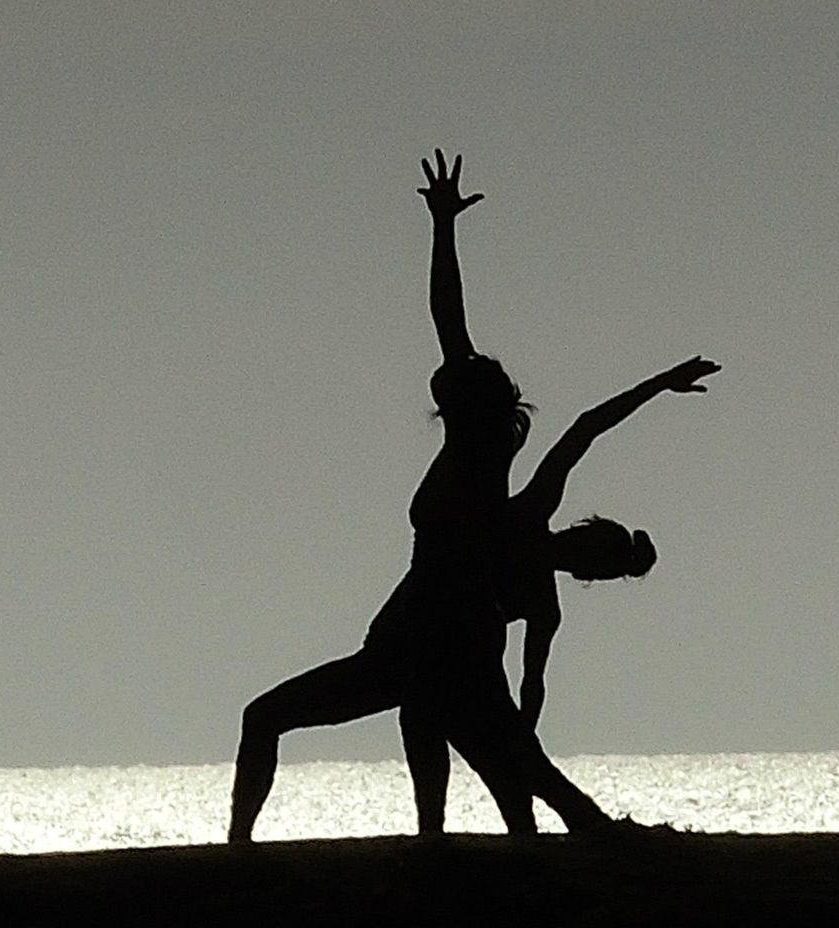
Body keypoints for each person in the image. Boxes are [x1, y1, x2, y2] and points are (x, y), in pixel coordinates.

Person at [229, 149, 608, 842]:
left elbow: (450, 321)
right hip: (412, 640)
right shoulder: (471, 449)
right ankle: (244, 848)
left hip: (437, 638)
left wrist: (443, 230)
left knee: (497, 760)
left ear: (475, 403)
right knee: (507, 763)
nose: (446, 374)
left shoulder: (481, 450)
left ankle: (260, 853)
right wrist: (441, 227)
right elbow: (449, 326)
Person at [396, 355, 719, 833]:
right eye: (589, 546)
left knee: (510, 772)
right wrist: (660, 384)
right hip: (425, 628)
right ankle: (437, 834)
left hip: (465, 663)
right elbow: (585, 429)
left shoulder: (544, 604)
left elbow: (532, 680)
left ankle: (550, 832)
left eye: (594, 563)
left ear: (588, 573)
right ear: (579, 529)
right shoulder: (532, 509)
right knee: (425, 718)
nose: (581, 556)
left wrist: (524, 730)